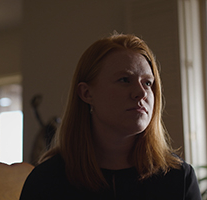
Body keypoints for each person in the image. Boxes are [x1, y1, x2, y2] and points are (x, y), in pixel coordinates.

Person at [20, 33, 202, 200]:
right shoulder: (47, 181)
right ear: (86, 93)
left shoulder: (179, 178)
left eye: (147, 83)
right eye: (124, 80)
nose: (141, 92)